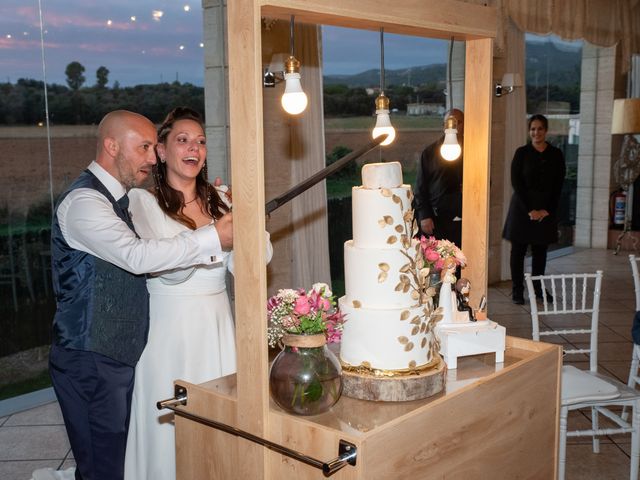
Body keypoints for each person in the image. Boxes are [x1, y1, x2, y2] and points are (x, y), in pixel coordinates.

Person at [48, 110, 232, 480]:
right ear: (112, 145)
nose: (152, 157)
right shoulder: (85, 203)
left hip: (119, 354)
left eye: (153, 147)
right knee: (102, 466)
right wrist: (214, 236)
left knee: (117, 458)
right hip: (89, 356)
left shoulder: (119, 200)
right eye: (145, 146)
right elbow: (137, 257)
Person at [123, 107, 273, 480]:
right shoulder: (143, 203)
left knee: (220, 421)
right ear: (161, 150)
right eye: (183, 140)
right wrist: (215, 235)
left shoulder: (221, 199)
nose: (194, 148)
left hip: (218, 326)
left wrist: (252, 221)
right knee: (172, 427)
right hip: (169, 330)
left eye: (201, 141)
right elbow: (166, 270)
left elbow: (254, 265)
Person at [502, 114, 566, 305]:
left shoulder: (556, 154)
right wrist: (531, 209)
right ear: (529, 131)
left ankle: (538, 290)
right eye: (532, 129)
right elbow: (516, 183)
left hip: (546, 210)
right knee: (518, 252)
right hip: (522, 209)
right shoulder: (521, 153)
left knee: (540, 253)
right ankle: (517, 291)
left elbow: (558, 185)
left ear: (545, 131)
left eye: (539, 129)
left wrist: (547, 210)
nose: (536, 132)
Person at [413, 108, 464, 247]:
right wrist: (424, 216)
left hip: (465, 220)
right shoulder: (430, 152)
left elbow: (486, 183)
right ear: (443, 126)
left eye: (458, 122)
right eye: (449, 122)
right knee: (438, 264)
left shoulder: (475, 151)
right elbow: (420, 188)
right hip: (436, 220)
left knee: (462, 263)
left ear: (464, 125)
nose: (453, 126)